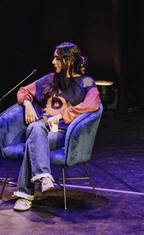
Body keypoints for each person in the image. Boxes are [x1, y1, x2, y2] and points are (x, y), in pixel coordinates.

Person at [11, 41, 101, 211]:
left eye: (57, 58)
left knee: (32, 144)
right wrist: (27, 104)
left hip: (62, 133)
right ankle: (44, 176)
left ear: (69, 61)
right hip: (40, 127)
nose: (53, 62)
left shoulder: (86, 82)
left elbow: (93, 104)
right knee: (36, 128)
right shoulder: (50, 79)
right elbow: (23, 91)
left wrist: (63, 115)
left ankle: (25, 195)